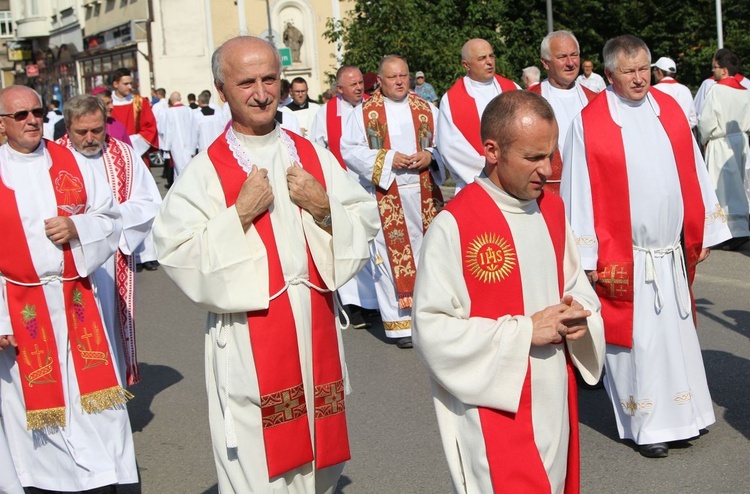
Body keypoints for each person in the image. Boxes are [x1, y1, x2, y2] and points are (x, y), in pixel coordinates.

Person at [152, 36, 379, 493]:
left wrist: (322, 207)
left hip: (313, 323)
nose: (261, 93)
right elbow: (175, 248)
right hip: (248, 332)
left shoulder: (311, 154)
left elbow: (364, 221)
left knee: (319, 452)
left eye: (269, 79)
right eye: (246, 82)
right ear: (221, 90)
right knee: (259, 460)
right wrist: (239, 215)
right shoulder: (206, 170)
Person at [413, 90, 604, 493]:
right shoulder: (456, 225)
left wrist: (580, 317)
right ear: (492, 151)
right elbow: (431, 328)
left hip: (554, 392)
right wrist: (523, 332)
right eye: (533, 158)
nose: (547, 170)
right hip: (495, 406)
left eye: (550, 155)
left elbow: (576, 287)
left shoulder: (552, 209)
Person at [561, 35, 731, 458]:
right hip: (627, 255)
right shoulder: (590, 121)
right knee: (639, 344)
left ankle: (685, 416)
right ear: (609, 75)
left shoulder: (668, 109)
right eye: (628, 71)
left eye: (644, 69)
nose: (639, 79)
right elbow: (577, 189)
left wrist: (702, 230)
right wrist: (587, 255)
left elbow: (692, 166)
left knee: (676, 337)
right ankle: (649, 425)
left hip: (669, 252)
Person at [0, 85, 137, 491]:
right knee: (34, 408)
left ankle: (105, 476)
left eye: (38, 112)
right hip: (20, 304)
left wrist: (78, 228)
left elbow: (111, 220)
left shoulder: (72, 163)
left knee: (96, 406)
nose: (32, 121)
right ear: (2, 123)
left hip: (75, 296)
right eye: (21, 115)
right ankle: (46, 482)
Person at [341, 54, 445, 349]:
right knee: (389, 258)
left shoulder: (427, 109)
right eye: (392, 77)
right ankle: (400, 325)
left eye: (404, 75)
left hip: (424, 193)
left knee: (430, 253)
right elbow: (350, 149)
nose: (400, 81)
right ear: (381, 81)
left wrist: (430, 156)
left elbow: (444, 145)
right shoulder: (364, 113)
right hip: (387, 194)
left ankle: (430, 319)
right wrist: (386, 158)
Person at [57, 94, 161, 386]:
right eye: (82, 132)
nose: (91, 138)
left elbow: (149, 203)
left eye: (97, 130)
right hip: (68, 260)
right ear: (68, 127)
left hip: (113, 263)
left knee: (110, 331)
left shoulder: (125, 156)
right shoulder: (53, 158)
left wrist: (102, 224)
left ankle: (111, 396)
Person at [310, 65, 380, 328]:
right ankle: (354, 303)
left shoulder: (374, 108)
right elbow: (318, 149)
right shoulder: (325, 114)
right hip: (342, 188)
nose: (360, 88)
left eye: (361, 82)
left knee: (375, 247)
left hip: (373, 185)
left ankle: (375, 302)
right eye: (353, 85)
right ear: (339, 89)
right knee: (350, 243)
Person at [437, 38, 520, 192]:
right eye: (482, 58)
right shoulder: (451, 100)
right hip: (475, 183)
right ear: (466, 65)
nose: (489, 62)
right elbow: (450, 146)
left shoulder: (513, 89)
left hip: (514, 179)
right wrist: (491, 173)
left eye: (491, 56)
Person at [529, 30, 597, 195]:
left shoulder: (595, 100)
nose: (570, 63)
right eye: (562, 57)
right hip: (546, 193)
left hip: (589, 191)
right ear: (545, 63)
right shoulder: (528, 101)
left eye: (574, 55)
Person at [697, 48, 750, 251]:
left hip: (720, 143)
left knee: (721, 189)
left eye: (715, 67)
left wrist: (705, 138)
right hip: (741, 141)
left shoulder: (717, 90)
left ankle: (727, 232)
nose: (713, 71)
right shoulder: (745, 92)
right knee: (739, 187)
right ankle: (741, 228)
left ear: (724, 70)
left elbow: (707, 120)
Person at [110, 67, 159, 158]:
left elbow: (150, 127)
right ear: (115, 84)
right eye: (126, 84)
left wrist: (132, 141)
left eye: (131, 83)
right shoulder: (107, 103)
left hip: (138, 152)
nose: (130, 87)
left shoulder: (140, 102)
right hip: (112, 152)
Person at [651, 56, 697, 128]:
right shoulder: (685, 90)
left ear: (659, 72)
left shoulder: (653, 91)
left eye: (654, 70)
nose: (653, 73)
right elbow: (693, 120)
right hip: (683, 135)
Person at [163, 91, 196, 179]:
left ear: (171, 100)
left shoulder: (169, 112)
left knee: (179, 169)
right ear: (180, 99)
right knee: (188, 166)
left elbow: (168, 130)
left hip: (175, 144)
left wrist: (166, 146)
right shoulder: (189, 110)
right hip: (189, 143)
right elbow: (194, 127)